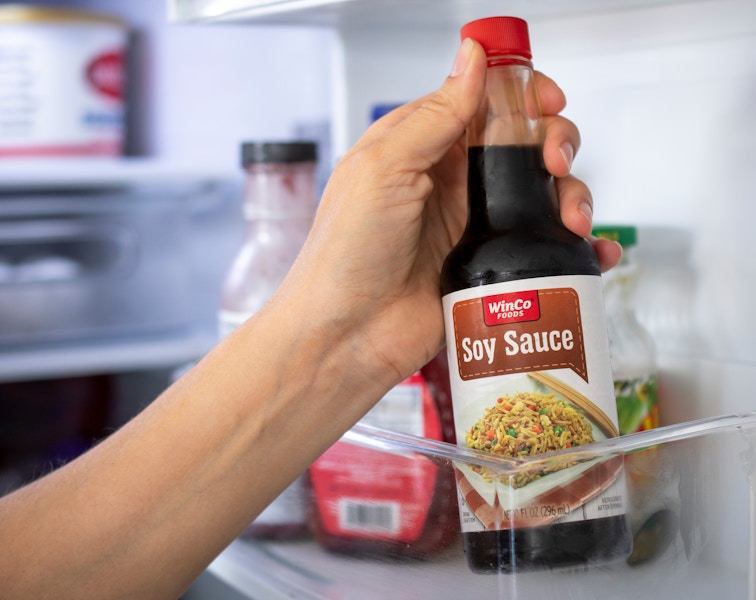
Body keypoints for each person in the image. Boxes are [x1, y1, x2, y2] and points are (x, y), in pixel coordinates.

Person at [0, 38, 622, 599]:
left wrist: (348, 341)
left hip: (584, 498)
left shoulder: (510, 245)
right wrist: (345, 333)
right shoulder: (477, 249)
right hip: (501, 520)